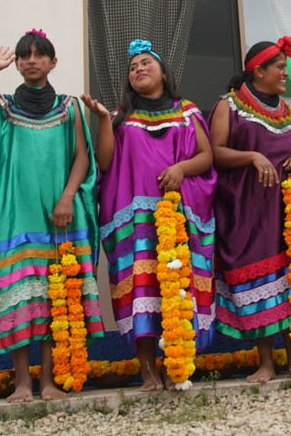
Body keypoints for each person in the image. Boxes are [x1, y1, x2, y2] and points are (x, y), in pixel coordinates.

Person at [0, 29, 103, 403]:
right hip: (15, 216)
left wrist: (68, 197)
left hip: (58, 214)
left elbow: (81, 156)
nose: (30, 60)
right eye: (24, 55)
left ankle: (49, 383)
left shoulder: (70, 106)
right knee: (21, 299)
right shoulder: (1, 106)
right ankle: (23, 383)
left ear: (52, 62)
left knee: (53, 298)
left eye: (39, 55)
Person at [83, 40, 217, 391]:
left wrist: (181, 169)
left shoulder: (187, 111)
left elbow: (206, 156)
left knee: (177, 288)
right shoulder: (120, 117)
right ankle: (147, 372)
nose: (139, 69)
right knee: (140, 289)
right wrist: (101, 120)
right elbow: (106, 162)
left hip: (176, 214)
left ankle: (178, 368)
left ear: (162, 72)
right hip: (135, 219)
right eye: (133, 67)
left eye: (146, 63)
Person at [209, 38, 291, 383]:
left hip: (289, 208)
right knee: (258, 277)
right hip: (248, 208)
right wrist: (252, 157)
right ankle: (266, 363)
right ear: (258, 71)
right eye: (281, 67)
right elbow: (215, 152)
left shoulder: (284, 109)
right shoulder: (230, 105)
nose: (287, 73)